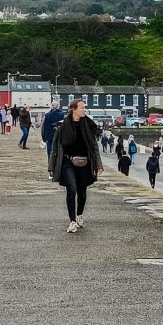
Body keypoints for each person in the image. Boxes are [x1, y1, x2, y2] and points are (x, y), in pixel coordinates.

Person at [48, 98, 104, 233]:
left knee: (82, 193)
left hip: (85, 162)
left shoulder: (88, 125)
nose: (84, 110)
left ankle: (79, 215)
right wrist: (51, 166)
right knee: (71, 190)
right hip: (68, 162)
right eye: (82, 108)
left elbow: (94, 147)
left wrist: (99, 164)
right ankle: (72, 221)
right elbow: (55, 148)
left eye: (84, 108)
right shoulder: (63, 126)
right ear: (74, 109)